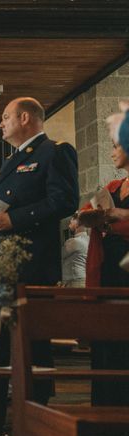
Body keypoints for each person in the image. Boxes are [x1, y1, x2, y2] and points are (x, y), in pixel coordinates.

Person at [0, 97, 79, 436]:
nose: (0, 124)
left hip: (34, 266)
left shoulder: (54, 152)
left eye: (5, 118)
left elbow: (64, 201)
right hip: (4, 266)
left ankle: (35, 422)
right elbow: (2, 207)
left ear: (24, 118)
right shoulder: (11, 162)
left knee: (33, 348)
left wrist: (12, 219)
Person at [78, 132, 129, 406]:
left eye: (116, 147)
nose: (112, 152)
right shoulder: (112, 186)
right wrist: (86, 218)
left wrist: (119, 217)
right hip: (107, 267)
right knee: (105, 340)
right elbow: (87, 211)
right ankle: (105, 413)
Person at [61, 214, 89, 288]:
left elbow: (58, 255)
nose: (70, 222)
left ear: (77, 223)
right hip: (83, 280)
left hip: (75, 282)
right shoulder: (89, 240)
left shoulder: (74, 242)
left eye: (72, 220)